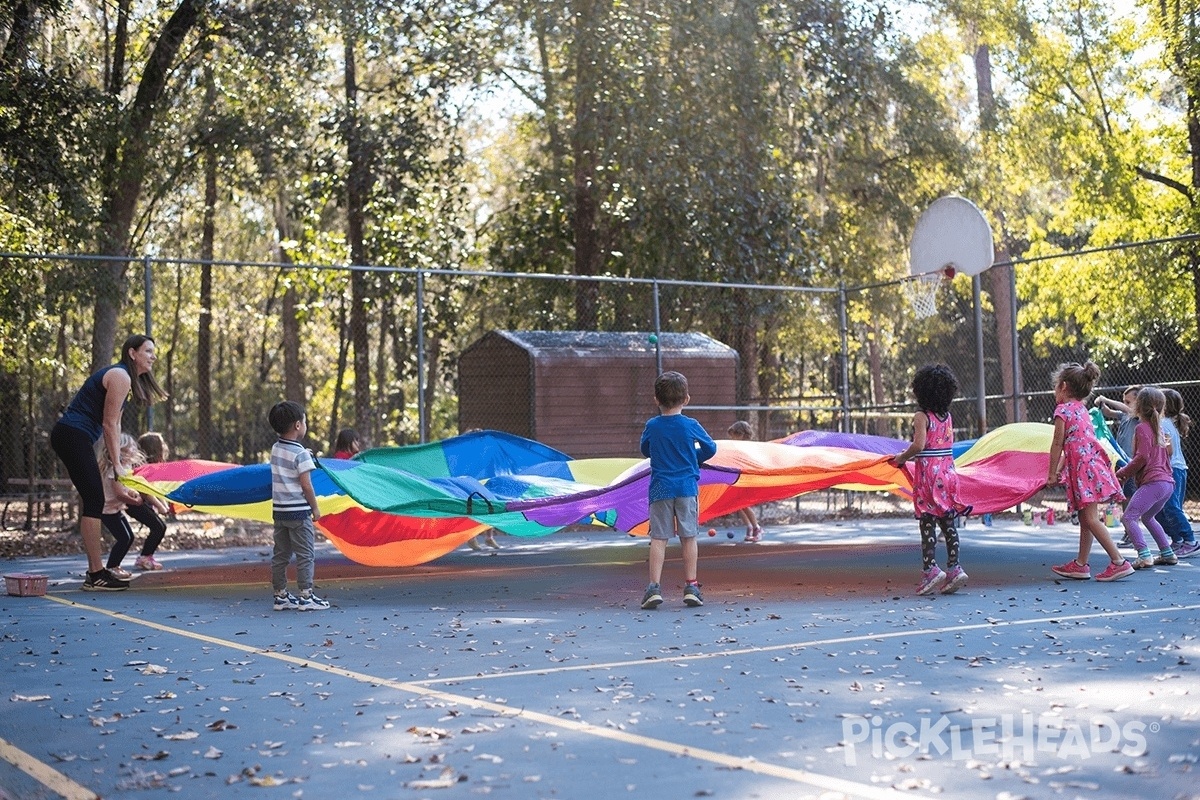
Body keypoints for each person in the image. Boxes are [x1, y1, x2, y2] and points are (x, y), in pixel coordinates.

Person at [50, 334, 167, 591]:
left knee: (94, 499)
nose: (153, 356)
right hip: (71, 434)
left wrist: (120, 473)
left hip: (75, 436)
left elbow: (116, 423)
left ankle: (97, 572)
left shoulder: (126, 381)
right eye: (148, 351)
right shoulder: (120, 375)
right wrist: (116, 466)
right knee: (94, 500)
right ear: (132, 353)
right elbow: (108, 424)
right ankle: (96, 574)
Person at [1046, 362, 1134, 581]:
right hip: (1092, 467)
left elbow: (1057, 443)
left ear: (1063, 386)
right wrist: (1059, 469)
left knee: (1091, 519)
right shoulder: (1082, 411)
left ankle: (1119, 561)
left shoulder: (1063, 411)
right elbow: (1073, 444)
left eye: (1056, 386)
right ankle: (1081, 564)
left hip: (1084, 470)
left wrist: (1051, 473)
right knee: (1086, 518)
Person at [639, 371, 717, 610]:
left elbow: (645, 450)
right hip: (686, 487)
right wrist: (694, 457)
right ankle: (691, 586)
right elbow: (711, 448)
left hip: (661, 488)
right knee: (688, 536)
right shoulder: (690, 425)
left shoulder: (652, 425)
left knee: (659, 538)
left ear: (656, 400)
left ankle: (654, 587)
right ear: (687, 399)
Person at [890, 364, 969, 595]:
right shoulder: (947, 417)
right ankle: (954, 568)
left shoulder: (921, 416)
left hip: (929, 476)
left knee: (927, 523)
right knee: (948, 522)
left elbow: (919, 445)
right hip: (948, 473)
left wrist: (901, 458)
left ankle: (930, 570)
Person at [268, 401, 328, 611]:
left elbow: (289, 459)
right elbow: (306, 485)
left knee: (281, 554)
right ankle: (305, 595)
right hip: (298, 512)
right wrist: (315, 508)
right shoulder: (301, 454)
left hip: (280, 512)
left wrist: (305, 454)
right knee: (305, 554)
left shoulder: (276, 449)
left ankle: (280, 595)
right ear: (297, 425)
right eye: (304, 421)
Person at [1114, 387, 1178, 569]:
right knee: (1148, 517)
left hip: (1154, 483)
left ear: (1138, 407)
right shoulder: (1159, 428)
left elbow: (1142, 457)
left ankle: (1144, 555)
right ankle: (1167, 553)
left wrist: (1123, 473)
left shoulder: (1142, 428)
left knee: (1129, 517)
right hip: (1167, 484)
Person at [96, 433, 165, 578]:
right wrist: (135, 501)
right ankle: (112, 567)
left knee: (128, 537)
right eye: (131, 448)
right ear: (120, 451)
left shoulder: (125, 467)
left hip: (115, 509)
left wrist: (132, 493)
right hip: (108, 510)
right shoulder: (114, 470)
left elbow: (127, 488)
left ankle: (114, 566)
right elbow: (119, 494)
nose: (135, 450)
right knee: (124, 538)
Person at [1154, 388, 1197, 558]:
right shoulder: (1167, 422)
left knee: (1171, 507)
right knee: (1161, 509)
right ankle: (1178, 539)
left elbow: (1168, 450)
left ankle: (1190, 541)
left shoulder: (1163, 423)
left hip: (1173, 470)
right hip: (1176, 469)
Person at [128, 431, 172, 569]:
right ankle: (144, 557)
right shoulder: (141, 467)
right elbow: (145, 492)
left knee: (158, 527)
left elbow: (155, 488)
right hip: (133, 503)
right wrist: (160, 506)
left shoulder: (153, 467)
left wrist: (164, 504)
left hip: (141, 501)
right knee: (159, 527)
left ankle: (146, 556)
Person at [726, 420, 764, 542]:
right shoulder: (736, 446)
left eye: (734, 436)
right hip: (736, 477)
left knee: (743, 504)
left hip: (746, 478)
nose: (732, 439)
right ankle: (748, 526)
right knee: (737, 504)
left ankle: (756, 527)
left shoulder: (747, 447)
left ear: (741, 435)